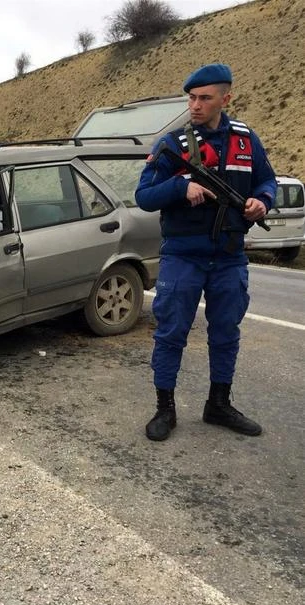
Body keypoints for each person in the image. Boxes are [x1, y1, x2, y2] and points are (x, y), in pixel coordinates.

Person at [135, 63, 277, 442]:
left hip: (229, 255)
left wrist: (262, 201)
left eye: (204, 98)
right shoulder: (171, 145)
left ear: (224, 99)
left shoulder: (246, 140)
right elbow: (144, 196)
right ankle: (165, 408)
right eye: (192, 98)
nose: (195, 106)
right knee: (171, 333)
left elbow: (266, 179)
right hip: (183, 255)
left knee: (227, 332)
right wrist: (181, 188)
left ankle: (218, 404)